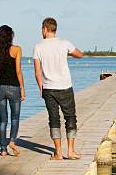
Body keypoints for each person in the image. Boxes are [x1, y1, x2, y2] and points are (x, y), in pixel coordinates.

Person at [33, 17, 83, 160]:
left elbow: (37, 72)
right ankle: (71, 151)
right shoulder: (64, 43)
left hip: (48, 88)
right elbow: (80, 54)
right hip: (65, 86)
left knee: (54, 119)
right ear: (54, 29)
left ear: (44, 29)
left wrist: (40, 87)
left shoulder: (38, 47)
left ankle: (58, 152)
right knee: (70, 117)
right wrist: (67, 53)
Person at [0, 25, 25, 156]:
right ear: (10, 36)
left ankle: (3, 149)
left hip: (0, 88)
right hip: (14, 88)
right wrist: (22, 88)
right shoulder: (16, 49)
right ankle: (12, 141)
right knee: (15, 118)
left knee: (3, 120)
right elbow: (18, 71)